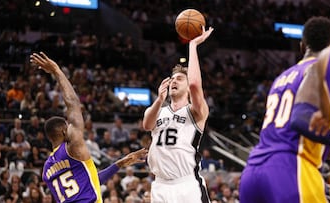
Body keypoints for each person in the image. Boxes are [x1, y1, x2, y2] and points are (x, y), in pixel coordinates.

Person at [239, 16, 330, 203]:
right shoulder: (320, 70)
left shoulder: (281, 78)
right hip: (291, 168)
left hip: (252, 171)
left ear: (302, 46)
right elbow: (301, 119)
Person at [30, 52, 147, 203]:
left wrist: (119, 164)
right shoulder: (72, 148)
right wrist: (57, 71)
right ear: (64, 131)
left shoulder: (46, 170)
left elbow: (89, 182)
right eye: (68, 126)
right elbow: (73, 104)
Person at [142, 26, 214, 203]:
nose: (174, 81)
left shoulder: (196, 111)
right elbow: (146, 125)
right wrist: (159, 100)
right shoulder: (158, 109)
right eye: (172, 79)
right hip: (160, 185)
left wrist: (193, 45)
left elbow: (196, 85)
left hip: (187, 186)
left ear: (188, 88)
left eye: (180, 79)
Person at [291, 33, 330, 202]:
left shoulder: (284, 76)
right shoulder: (321, 65)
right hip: (298, 167)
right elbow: (299, 118)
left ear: (303, 45)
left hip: (262, 161)